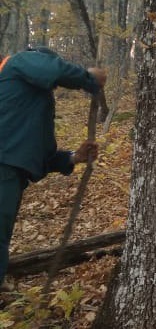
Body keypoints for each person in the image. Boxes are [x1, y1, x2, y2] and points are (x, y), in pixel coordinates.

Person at [0, 47, 106, 288]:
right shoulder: (18, 62)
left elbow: (41, 157)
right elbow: (52, 69)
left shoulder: (25, 102)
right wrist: (88, 78)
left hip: (11, 173)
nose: (54, 86)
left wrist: (73, 158)